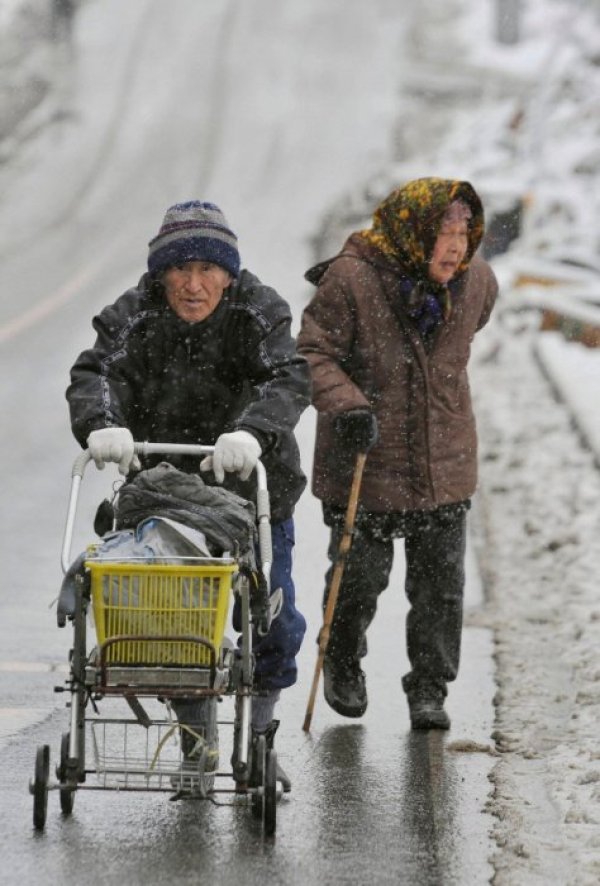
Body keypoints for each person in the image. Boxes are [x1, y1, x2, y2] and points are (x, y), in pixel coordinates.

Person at [66, 199, 310, 769]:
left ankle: (261, 735)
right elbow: (95, 372)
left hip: (251, 492)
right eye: (180, 269)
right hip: (163, 491)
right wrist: (104, 426)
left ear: (228, 274)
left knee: (270, 618)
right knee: (171, 620)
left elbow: (288, 376)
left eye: (208, 270)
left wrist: (252, 433)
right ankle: (196, 738)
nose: (193, 285)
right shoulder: (135, 315)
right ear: (160, 273)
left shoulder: (258, 312)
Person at [297, 178, 498, 730]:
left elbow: (474, 323)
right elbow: (313, 353)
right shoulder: (353, 278)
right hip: (364, 458)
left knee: (440, 589)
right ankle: (341, 661)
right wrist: (349, 402)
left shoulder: (476, 279)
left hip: (444, 459)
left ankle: (429, 687)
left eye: (464, 233)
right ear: (412, 232)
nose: (456, 247)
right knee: (358, 579)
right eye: (444, 233)